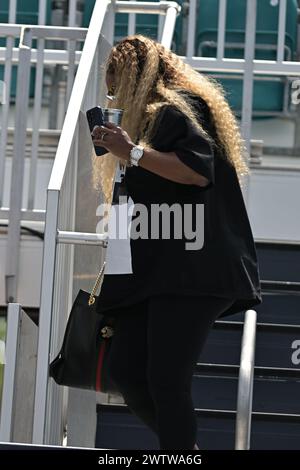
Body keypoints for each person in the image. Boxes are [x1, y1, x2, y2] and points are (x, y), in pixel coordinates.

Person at [91, 34, 262, 450]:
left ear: (137, 76)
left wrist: (129, 152)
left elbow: (195, 171)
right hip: (154, 270)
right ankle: (185, 453)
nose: (112, 91)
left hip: (191, 270)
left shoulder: (176, 108)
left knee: (166, 380)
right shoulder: (145, 121)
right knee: (127, 372)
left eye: (117, 81)